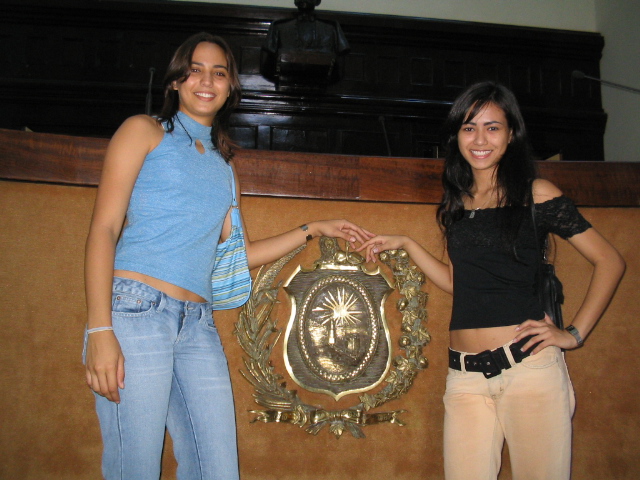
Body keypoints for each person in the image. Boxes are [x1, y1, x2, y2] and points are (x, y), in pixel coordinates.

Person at [83, 32, 373, 480]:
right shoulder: (143, 131)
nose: (207, 81)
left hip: (197, 324)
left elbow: (241, 254)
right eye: (195, 70)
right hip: (136, 311)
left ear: (230, 86)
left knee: (217, 469)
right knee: (135, 467)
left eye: (218, 73)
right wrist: (100, 329)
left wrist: (312, 228)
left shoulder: (224, 166)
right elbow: (104, 229)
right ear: (175, 81)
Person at [358, 81, 625, 479]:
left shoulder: (536, 193)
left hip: (528, 371)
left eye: (492, 127)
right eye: (469, 127)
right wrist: (408, 244)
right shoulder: (457, 202)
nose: (479, 139)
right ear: (457, 136)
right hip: (464, 377)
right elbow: (458, 282)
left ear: (511, 134)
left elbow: (609, 260)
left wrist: (574, 334)